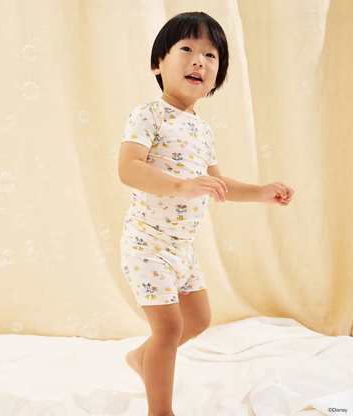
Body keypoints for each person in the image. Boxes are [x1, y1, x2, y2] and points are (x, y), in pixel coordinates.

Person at [118, 11, 294, 416]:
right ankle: (160, 411)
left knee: (197, 320)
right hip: (147, 244)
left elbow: (216, 183)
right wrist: (181, 185)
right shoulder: (149, 114)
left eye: (211, 55)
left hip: (181, 248)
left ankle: (141, 358)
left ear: (217, 77)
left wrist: (261, 192)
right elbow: (128, 168)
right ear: (157, 64)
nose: (199, 60)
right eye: (187, 49)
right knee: (169, 328)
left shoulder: (202, 129)